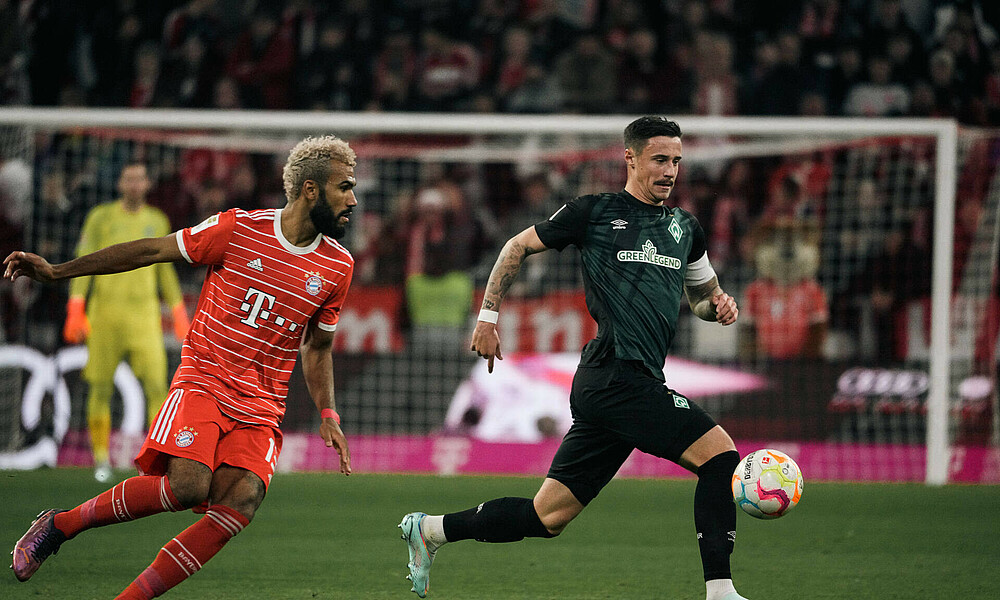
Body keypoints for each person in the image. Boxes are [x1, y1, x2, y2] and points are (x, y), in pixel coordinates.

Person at [399, 116, 747, 600]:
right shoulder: (596, 213)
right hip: (615, 375)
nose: (670, 170)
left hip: (618, 386)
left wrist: (720, 307)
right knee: (721, 456)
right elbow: (517, 246)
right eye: (660, 159)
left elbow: (703, 298)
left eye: (677, 161)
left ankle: (430, 530)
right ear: (630, 158)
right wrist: (487, 318)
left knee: (547, 517)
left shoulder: (685, 227)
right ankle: (721, 591)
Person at [6, 135, 356, 599]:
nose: (352, 199)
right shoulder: (237, 230)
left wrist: (328, 414)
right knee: (189, 485)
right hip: (205, 379)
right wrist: (58, 272)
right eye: (344, 187)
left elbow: (317, 348)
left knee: (243, 499)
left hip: (261, 404)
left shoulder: (337, 267)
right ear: (310, 190)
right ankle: (61, 525)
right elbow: (151, 251)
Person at [65, 162, 190, 483]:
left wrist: (178, 313)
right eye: (128, 178)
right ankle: (100, 459)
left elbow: (166, 271)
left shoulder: (157, 220)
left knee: (157, 388)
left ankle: (158, 457)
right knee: (101, 387)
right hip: (105, 315)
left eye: (139, 179)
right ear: (120, 182)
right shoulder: (100, 218)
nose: (134, 184)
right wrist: (75, 307)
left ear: (147, 184)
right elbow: (84, 263)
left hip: (145, 318)